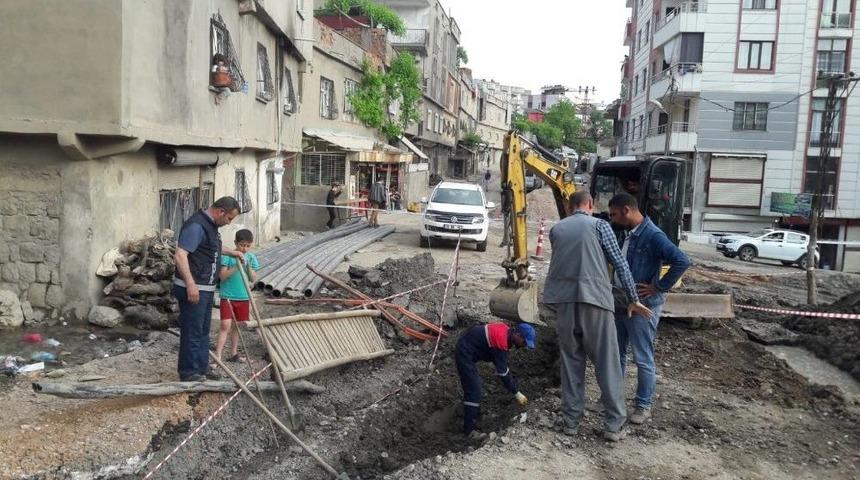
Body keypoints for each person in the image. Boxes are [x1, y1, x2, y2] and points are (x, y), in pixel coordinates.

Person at [543, 190, 652, 442]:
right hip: (596, 302)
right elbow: (620, 264)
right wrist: (633, 298)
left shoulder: (556, 230)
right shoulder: (600, 226)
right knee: (607, 363)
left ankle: (570, 421)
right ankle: (613, 425)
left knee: (571, 364)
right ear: (590, 204)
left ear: (570, 207)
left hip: (565, 304)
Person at [608, 193, 690, 424]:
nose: (612, 219)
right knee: (617, 354)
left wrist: (658, 287)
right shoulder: (627, 234)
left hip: (642, 306)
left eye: (614, 214)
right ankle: (615, 399)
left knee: (642, 357)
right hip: (622, 303)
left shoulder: (652, 235)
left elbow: (682, 261)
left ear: (626, 210)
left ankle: (643, 405)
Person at [173, 197, 243, 382]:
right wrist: (190, 284)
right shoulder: (196, 226)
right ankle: (189, 373)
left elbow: (211, 248)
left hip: (205, 287)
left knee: (203, 330)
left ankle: (201, 368)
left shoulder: (211, 226)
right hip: (194, 288)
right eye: (229, 218)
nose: (229, 223)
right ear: (220, 211)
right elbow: (180, 255)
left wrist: (232, 252)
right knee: (193, 330)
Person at [455, 322, 536, 438]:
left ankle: (474, 417)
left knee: (476, 387)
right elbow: (503, 372)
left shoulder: (506, 332)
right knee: (474, 389)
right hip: (464, 351)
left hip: (468, 344)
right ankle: (469, 430)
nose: (524, 345)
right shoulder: (501, 341)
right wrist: (516, 392)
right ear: (517, 335)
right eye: (524, 342)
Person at [214, 229, 261, 364]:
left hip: (244, 297)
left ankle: (233, 354)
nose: (244, 249)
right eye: (241, 245)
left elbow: (252, 279)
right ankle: (218, 357)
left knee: (237, 326)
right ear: (235, 243)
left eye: (247, 245)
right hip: (227, 296)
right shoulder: (228, 256)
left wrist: (248, 267)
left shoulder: (251, 257)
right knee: (225, 325)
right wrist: (236, 266)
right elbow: (222, 277)